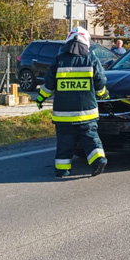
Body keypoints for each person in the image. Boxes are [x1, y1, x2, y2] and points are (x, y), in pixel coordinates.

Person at [36, 26, 109, 178]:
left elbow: (49, 85)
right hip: (87, 113)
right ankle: (98, 161)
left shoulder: (58, 61)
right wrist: (103, 95)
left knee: (64, 142)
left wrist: (40, 98)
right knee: (90, 138)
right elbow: (100, 82)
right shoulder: (91, 59)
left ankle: (62, 170)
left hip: (64, 114)